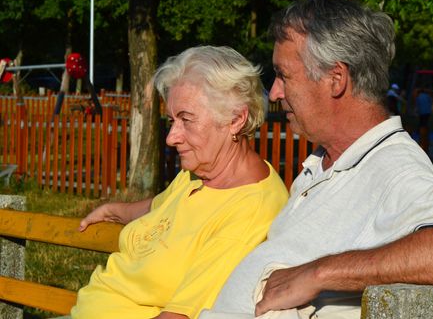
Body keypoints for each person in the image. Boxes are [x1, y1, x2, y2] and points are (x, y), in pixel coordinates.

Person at [201, 0, 433, 319]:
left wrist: (318, 274)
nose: (276, 92)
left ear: (336, 79)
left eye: (284, 75)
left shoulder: (392, 166)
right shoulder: (324, 161)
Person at [70, 46, 289, 319]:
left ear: (235, 119)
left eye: (186, 119)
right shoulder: (199, 173)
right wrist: (113, 211)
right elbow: (160, 207)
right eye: (173, 120)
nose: (171, 137)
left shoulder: (250, 209)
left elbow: (180, 315)